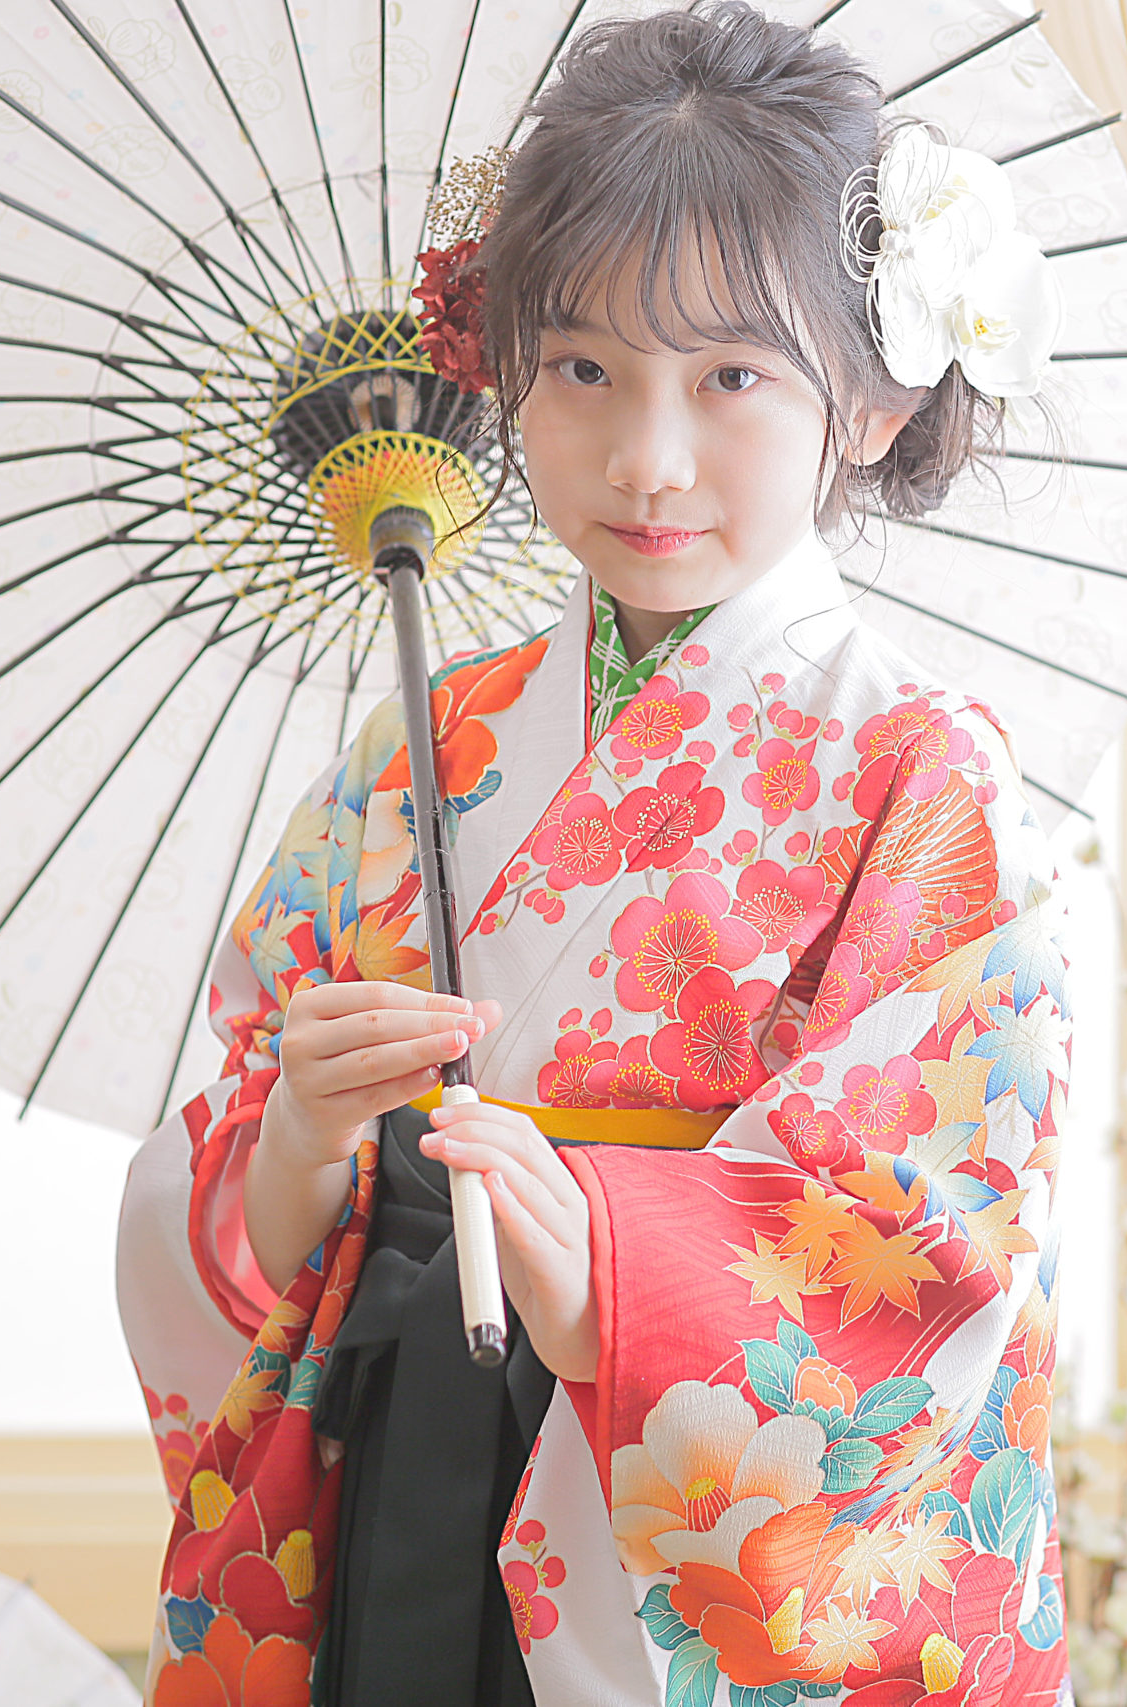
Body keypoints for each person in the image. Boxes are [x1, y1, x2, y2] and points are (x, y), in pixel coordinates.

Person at [116, 6, 1072, 1702]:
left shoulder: (920, 770)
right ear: (506, 369)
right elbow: (244, 1154)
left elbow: (940, 1237)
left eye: (731, 378)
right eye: (583, 370)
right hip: (409, 1463)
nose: (648, 457)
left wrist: (616, 1282)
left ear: (868, 398)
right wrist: (305, 1141)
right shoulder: (423, 743)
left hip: (664, 1523)